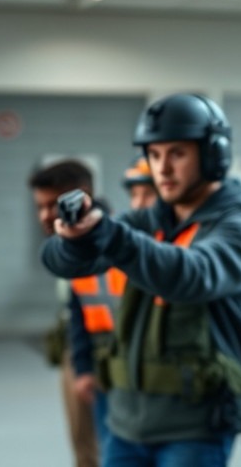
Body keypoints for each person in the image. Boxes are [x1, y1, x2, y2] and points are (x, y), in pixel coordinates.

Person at [41, 93, 241, 467]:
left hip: (195, 429)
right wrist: (73, 237)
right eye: (155, 154)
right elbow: (59, 262)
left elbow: (192, 274)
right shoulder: (151, 219)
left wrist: (109, 236)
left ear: (213, 154)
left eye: (176, 153)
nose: (161, 168)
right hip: (127, 423)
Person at [68, 156, 161, 459]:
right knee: (109, 447)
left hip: (154, 379)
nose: (140, 203)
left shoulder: (178, 253)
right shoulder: (114, 246)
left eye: (149, 194)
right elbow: (78, 313)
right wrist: (83, 367)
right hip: (106, 369)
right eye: (135, 195)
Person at [28, 159, 101, 467]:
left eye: (52, 205)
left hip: (110, 352)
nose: (45, 216)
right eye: (39, 207)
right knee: (84, 448)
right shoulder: (64, 243)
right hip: (81, 351)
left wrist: (84, 367)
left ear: (80, 196)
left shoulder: (107, 239)